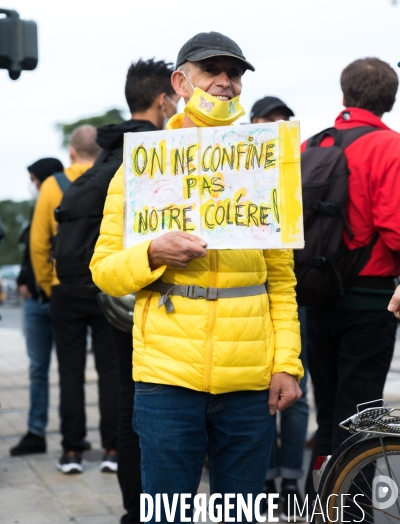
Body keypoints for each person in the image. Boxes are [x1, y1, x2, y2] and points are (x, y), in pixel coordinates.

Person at [90, 31, 303, 523]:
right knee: (167, 515)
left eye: (235, 74)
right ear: (181, 82)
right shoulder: (142, 169)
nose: (227, 84)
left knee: (241, 514)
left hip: (250, 383)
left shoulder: (264, 165)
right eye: (214, 72)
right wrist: (151, 252)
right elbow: (105, 272)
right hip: (167, 381)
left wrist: (286, 363)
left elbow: (282, 282)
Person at [303, 58, 400, 504]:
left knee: (327, 417)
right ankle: (352, 510)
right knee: (361, 416)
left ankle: (317, 502)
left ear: (344, 96)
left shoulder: (310, 146)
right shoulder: (390, 147)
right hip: (370, 299)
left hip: (316, 295)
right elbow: (394, 226)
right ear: (391, 99)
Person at [94, 59, 178, 524]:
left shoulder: (106, 152)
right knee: (150, 418)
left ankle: (134, 508)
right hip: (149, 301)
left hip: (112, 302)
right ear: (163, 99)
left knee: (129, 407)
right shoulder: (159, 152)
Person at [30, 125, 118, 474]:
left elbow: (38, 244)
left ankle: (71, 452)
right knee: (110, 372)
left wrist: (46, 284)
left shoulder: (53, 185)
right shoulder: (113, 177)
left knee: (70, 372)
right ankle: (112, 449)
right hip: (105, 286)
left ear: (71, 151)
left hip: (64, 289)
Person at [250, 98, 309, 519]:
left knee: (292, 389)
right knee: (257, 394)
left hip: (292, 288)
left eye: (280, 123)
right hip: (251, 296)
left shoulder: (296, 166)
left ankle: (290, 477)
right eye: (266, 122)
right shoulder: (234, 164)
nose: (272, 129)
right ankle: (269, 477)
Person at [10, 158, 64, 456]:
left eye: (34, 180)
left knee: (69, 371)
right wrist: (23, 279)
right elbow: (30, 252)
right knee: (38, 369)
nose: (32, 186)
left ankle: (73, 434)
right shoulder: (37, 208)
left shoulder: (67, 201)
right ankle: (36, 431)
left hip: (57, 297)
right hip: (35, 301)